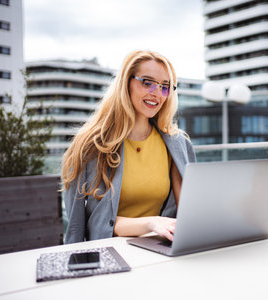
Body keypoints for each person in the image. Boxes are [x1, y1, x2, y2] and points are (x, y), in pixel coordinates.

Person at [62, 50, 196, 244]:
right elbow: (90, 224)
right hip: (111, 252)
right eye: (147, 82)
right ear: (126, 83)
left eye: (164, 87)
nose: (156, 93)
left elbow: (188, 214)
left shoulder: (178, 144)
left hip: (160, 251)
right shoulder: (91, 145)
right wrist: (151, 223)